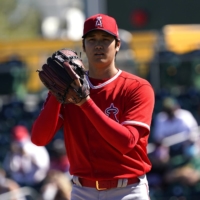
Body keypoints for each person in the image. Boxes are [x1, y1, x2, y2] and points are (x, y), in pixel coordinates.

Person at [31, 13, 155, 200]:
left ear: (117, 45)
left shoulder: (137, 88)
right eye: (92, 39)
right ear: (83, 46)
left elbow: (127, 142)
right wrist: (57, 93)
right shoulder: (69, 88)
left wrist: (85, 103)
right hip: (83, 190)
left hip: (127, 190)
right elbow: (39, 139)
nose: (98, 45)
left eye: (105, 39)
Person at [3, 125, 50, 192]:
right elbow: (8, 169)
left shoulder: (36, 146)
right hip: (19, 184)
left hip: (36, 184)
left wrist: (28, 155)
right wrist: (12, 154)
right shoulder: (13, 151)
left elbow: (42, 166)